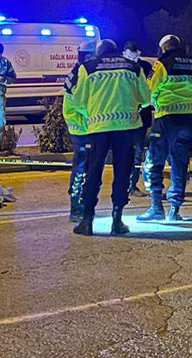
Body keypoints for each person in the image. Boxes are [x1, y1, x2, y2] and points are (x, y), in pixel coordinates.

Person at [69, 39, 152, 236]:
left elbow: (79, 101)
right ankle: (117, 221)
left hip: (98, 128)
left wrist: (94, 113)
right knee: (122, 174)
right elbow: (146, 99)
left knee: (93, 173)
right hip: (127, 128)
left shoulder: (87, 68)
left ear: (99, 52)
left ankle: (87, 221)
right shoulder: (133, 67)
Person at [137, 35, 192, 221]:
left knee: (154, 162)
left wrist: (145, 105)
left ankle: (156, 207)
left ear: (164, 48)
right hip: (187, 121)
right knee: (179, 165)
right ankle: (175, 210)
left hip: (165, 119)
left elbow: (149, 91)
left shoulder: (162, 64)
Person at [63, 41, 98, 222]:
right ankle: (75, 208)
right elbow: (80, 103)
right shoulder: (81, 73)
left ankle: (81, 205)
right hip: (81, 125)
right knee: (81, 168)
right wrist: (95, 115)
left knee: (85, 166)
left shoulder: (79, 71)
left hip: (80, 124)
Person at [123, 41, 154, 197]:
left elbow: (151, 88)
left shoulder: (146, 67)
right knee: (126, 153)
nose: (134, 56)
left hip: (141, 118)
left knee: (138, 153)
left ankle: (132, 185)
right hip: (125, 118)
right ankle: (125, 185)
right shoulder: (120, 68)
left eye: (137, 53)